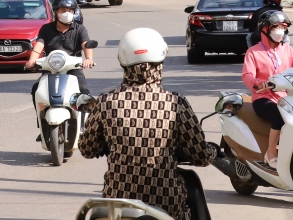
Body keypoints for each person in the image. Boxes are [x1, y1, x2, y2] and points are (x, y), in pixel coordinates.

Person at [78, 28, 213, 220]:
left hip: (117, 202)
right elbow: (200, 156)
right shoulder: (176, 103)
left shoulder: (105, 102)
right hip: (166, 201)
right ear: (160, 63)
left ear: (123, 62)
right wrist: (213, 151)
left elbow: (87, 149)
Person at [241, 10, 293, 170]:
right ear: (264, 29)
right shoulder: (253, 52)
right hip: (264, 98)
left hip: (287, 97)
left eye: (283, 27)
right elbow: (247, 75)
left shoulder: (288, 50)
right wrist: (258, 83)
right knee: (280, 115)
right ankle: (270, 153)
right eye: (275, 26)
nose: (280, 30)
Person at [25, 0, 94, 101]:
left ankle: (87, 117)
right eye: (63, 10)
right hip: (50, 68)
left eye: (70, 10)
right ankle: (40, 117)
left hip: (73, 68)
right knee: (36, 89)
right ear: (56, 12)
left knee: (84, 91)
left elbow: (86, 44)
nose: (67, 13)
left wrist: (89, 59)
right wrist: (31, 61)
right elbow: (39, 46)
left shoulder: (80, 29)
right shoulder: (46, 29)